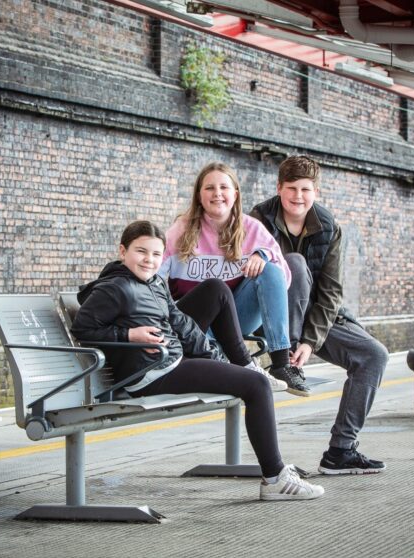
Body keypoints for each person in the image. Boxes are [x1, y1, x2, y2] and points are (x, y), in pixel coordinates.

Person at [71, 220, 324, 500]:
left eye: (156, 254)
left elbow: (181, 322)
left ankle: (243, 371)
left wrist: (215, 358)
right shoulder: (114, 288)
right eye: (141, 252)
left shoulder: (154, 283)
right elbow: (82, 329)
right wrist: (130, 334)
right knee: (256, 386)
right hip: (150, 373)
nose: (149, 260)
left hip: (172, 360)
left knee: (216, 291)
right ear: (123, 251)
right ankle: (275, 478)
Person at [250, 155, 389, 475]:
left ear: (316, 191)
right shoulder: (258, 219)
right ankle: (283, 361)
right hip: (268, 318)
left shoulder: (328, 226)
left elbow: (330, 291)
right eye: (291, 189)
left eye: (306, 189)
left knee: (374, 355)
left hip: (312, 317)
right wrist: (290, 341)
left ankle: (340, 451)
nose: (298, 196)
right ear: (278, 188)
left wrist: (310, 342)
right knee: (294, 264)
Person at [159, 162, 309, 395]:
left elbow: (284, 280)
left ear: (235, 194)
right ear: (199, 195)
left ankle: (281, 362)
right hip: (196, 321)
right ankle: (221, 355)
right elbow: (153, 272)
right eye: (209, 188)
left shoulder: (252, 228)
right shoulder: (182, 228)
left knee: (270, 270)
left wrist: (264, 255)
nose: (217, 193)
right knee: (214, 289)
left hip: (238, 318)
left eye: (223, 187)